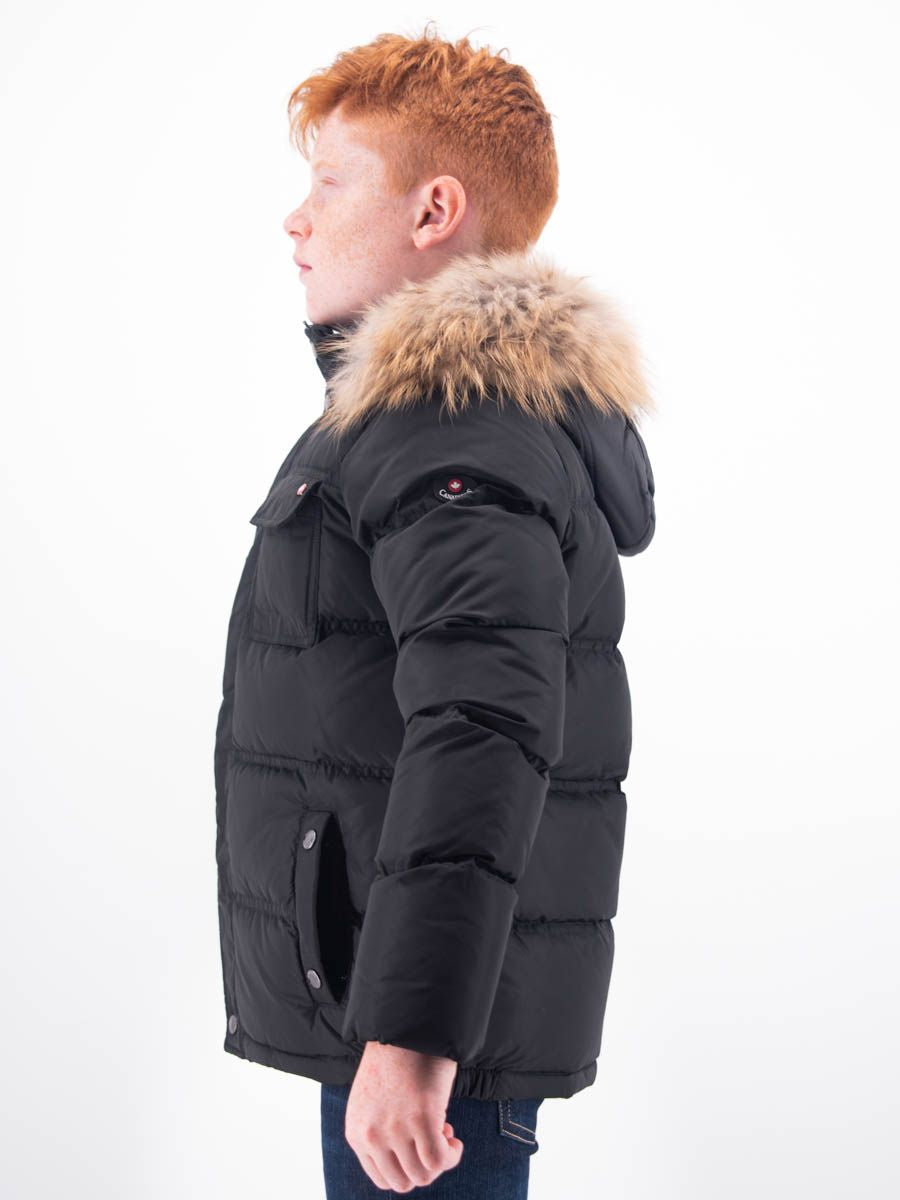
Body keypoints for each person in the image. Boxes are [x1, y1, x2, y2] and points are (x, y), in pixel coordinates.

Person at [213, 25, 656, 1197]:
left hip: (425, 1045)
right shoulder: (454, 418)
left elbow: (481, 726)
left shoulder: (453, 424)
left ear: (433, 210)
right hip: (415, 1012)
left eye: (330, 181)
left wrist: (412, 1035)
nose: (296, 220)